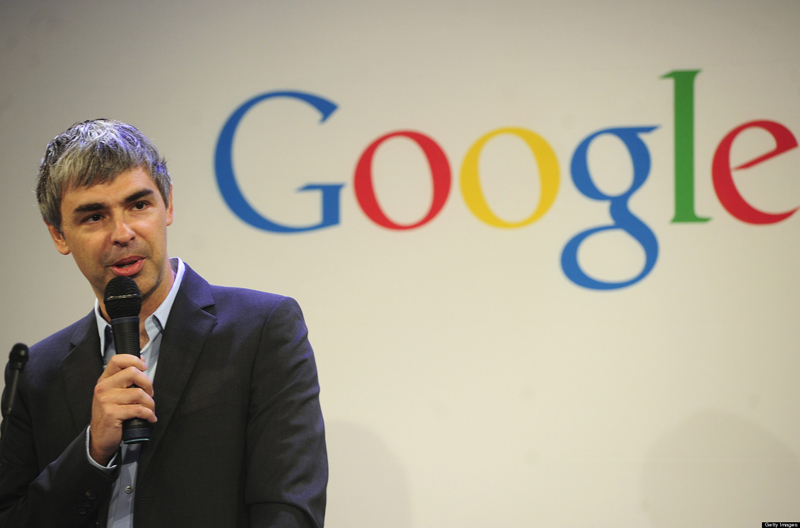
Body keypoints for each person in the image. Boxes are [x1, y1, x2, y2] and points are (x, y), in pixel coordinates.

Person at [0, 119, 327, 527]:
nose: (123, 233)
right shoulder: (36, 372)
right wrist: (90, 452)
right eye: (94, 217)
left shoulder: (261, 330)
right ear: (59, 235)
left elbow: (288, 506)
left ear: (168, 205)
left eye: (139, 205)